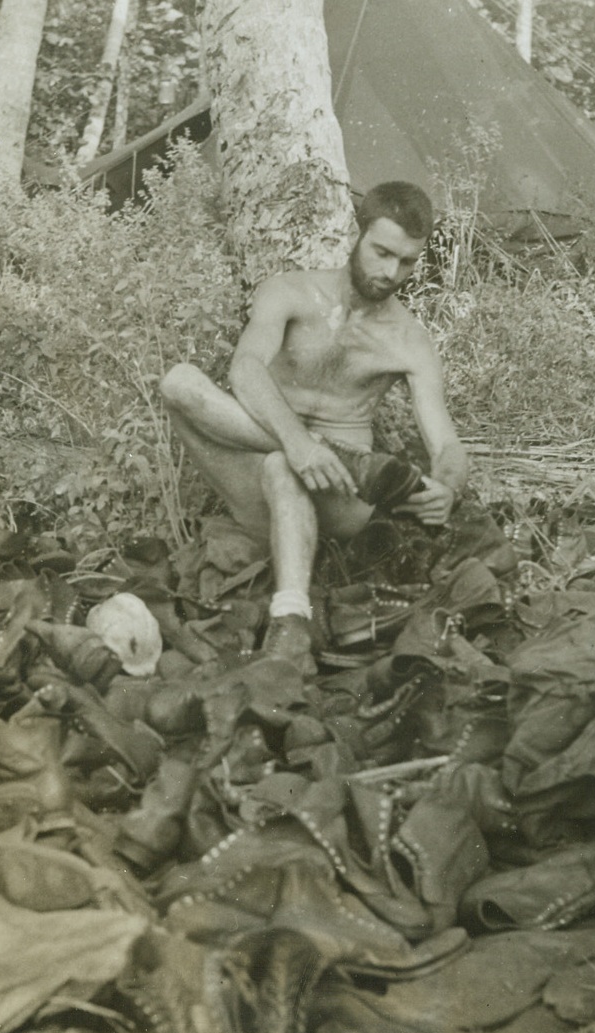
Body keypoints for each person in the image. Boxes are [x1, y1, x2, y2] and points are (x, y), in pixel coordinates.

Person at [160, 181, 468, 672]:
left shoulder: (409, 339)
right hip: (257, 477)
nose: (391, 273)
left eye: (407, 262)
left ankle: (290, 627)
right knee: (180, 383)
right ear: (357, 231)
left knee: (286, 468)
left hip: (340, 499)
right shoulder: (290, 291)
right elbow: (246, 370)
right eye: (382, 252)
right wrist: (302, 443)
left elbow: (446, 443)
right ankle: (332, 459)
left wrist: (448, 486)